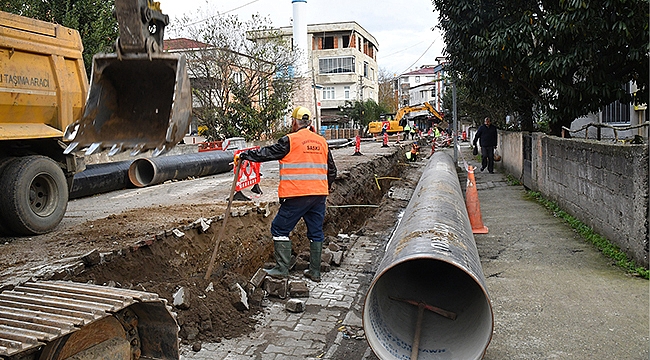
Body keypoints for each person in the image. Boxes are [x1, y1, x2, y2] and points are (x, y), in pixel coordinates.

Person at [235, 106, 337, 282]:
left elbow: (267, 153)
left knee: (279, 228)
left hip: (297, 195)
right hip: (319, 195)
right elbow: (332, 171)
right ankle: (315, 272)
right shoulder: (321, 142)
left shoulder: (290, 140)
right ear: (310, 122)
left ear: (294, 122)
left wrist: (245, 155)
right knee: (315, 232)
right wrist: (322, 187)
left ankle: (282, 268)